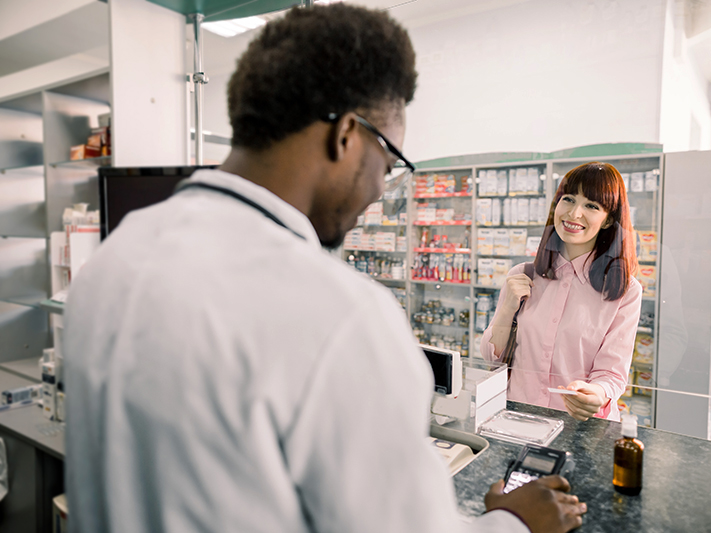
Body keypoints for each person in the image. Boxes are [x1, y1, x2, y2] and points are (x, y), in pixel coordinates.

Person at [63, 5, 586, 533]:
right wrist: (516, 524)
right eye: (388, 163)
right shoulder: (339, 316)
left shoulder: (115, 255)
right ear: (344, 137)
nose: (382, 189)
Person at [481, 162, 642, 422]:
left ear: (608, 219)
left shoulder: (625, 291)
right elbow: (492, 360)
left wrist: (595, 393)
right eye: (568, 199)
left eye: (591, 206)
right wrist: (507, 310)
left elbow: (612, 375)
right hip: (519, 417)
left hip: (580, 426)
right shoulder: (522, 275)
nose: (574, 213)